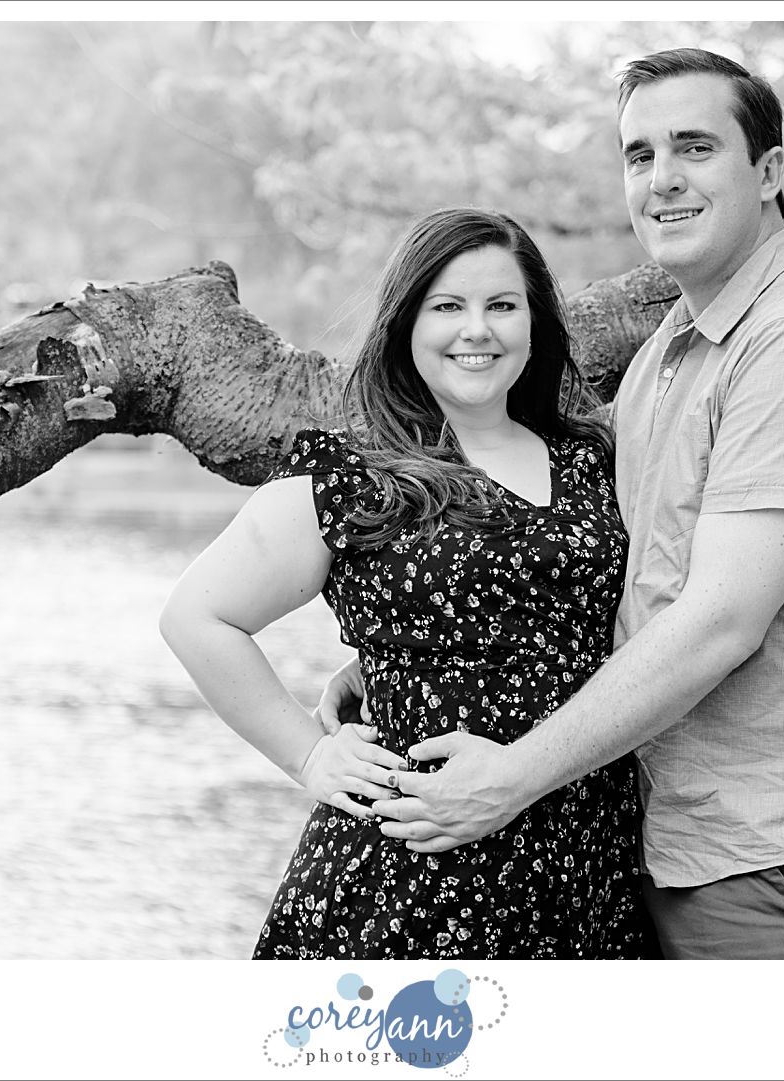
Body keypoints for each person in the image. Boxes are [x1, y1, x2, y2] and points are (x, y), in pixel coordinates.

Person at [330, 48, 784, 960]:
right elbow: (616, 574)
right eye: (639, 155)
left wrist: (511, 777)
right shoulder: (670, 352)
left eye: (693, 147)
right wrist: (423, 657)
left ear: (769, 172)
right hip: (667, 835)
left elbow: (718, 619)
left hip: (776, 854)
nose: (662, 181)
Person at [159, 207, 655, 959]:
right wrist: (308, 755)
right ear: (405, 323)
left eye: (501, 305)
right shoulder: (356, 475)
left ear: (534, 320)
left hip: (584, 859)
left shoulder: (592, 457)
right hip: (408, 876)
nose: (476, 330)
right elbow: (197, 617)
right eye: (447, 306)